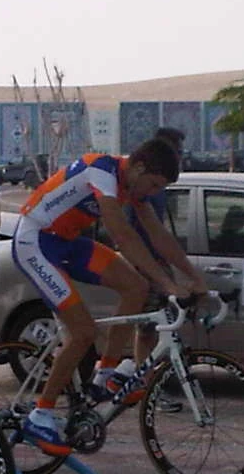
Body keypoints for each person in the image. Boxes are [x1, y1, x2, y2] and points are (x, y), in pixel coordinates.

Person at [11, 138, 189, 456]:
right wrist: (166, 283)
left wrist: (194, 278)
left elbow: (159, 236)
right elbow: (122, 235)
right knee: (84, 332)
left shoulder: (132, 185)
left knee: (137, 287)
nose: (152, 193)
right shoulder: (102, 171)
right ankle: (41, 414)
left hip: (67, 242)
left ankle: (106, 374)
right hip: (35, 242)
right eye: (153, 185)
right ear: (138, 168)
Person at [125, 127, 207, 411]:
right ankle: (143, 383)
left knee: (164, 323)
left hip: (158, 260)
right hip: (143, 261)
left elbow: (160, 232)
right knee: (148, 327)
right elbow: (131, 231)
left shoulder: (157, 187)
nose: (180, 158)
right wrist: (159, 275)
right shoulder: (141, 185)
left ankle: (146, 378)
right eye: (177, 153)